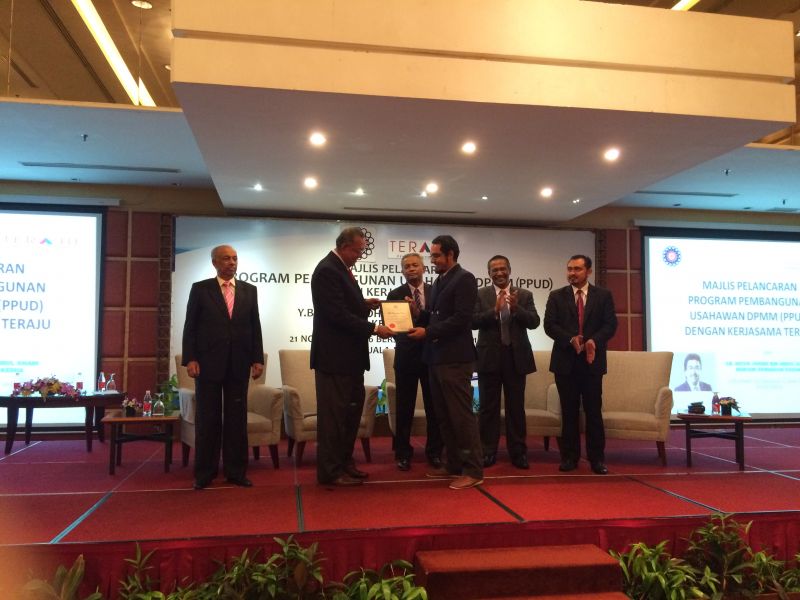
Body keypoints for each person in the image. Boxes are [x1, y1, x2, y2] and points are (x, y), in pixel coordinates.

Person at [311, 227, 393, 487]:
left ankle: (345, 463)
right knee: (334, 419)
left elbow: (346, 307)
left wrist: (363, 304)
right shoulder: (327, 270)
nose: (359, 256)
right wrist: (374, 328)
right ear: (345, 246)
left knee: (349, 416)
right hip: (334, 360)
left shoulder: (340, 269)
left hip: (350, 360)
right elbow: (336, 314)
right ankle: (330, 472)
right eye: (357, 251)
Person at [181, 244, 264, 490]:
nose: (232, 263)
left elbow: (255, 326)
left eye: (235, 258)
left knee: (237, 420)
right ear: (215, 262)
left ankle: (236, 471)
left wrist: (257, 359)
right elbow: (190, 326)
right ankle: (205, 472)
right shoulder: (201, 289)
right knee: (208, 419)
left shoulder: (249, 290)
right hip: (207, 364)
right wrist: (190, 358)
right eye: (226, 258)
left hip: (238, 363)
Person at [408, 235, 483, 490]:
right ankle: (454, 464)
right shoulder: (440, 280)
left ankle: (473, 470)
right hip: (435, 357)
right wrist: (419, 314)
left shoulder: (465, 278)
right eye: (432, 256)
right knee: (444, 416)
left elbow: (462, 320)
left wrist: (428, 332)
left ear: (451, 254)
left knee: (461, 416)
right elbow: (437, 316)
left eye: (437, 255)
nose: (433, 260)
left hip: (455, 359)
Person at [544, 254, 617, 475]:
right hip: (565, 362)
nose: (572, 273)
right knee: (569, 412)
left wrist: (594, 340)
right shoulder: (557, 296)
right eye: (569, 269)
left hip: (592, 362)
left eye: (577, 269)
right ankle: (569, 457)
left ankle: (597, 459)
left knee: (593, 412)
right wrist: (569, 339)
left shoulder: (603, 295)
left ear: (589, 271)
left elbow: (610, 324)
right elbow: (549, 325)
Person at [472, 255, 540, 469]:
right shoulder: (480, 294)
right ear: (489, 273)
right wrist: (493, 311)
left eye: (503, 269)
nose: (499, 273)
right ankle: (487, 451)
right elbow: (472, 321)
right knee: (488, 408)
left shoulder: (524, 294)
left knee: (516, 408)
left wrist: (517, 309)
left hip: (516, 358)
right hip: (489, 358)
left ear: (510, 270)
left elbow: (535, 322)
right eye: (494, 270)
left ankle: (518, 453)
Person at [386, 253, 443, 472]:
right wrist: (407, 318)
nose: (411, 269)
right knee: (404, 408)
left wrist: (419, 314)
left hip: (432, 356)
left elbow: (438, 321)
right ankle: (403, 453)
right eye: (407, 266)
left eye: (415, 265)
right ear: (402, 271)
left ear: (423, 268)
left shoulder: (435, 291)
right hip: (406, 357)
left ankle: (434, 452)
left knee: (434, 407)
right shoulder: (395, 294)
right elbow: (392, 327)